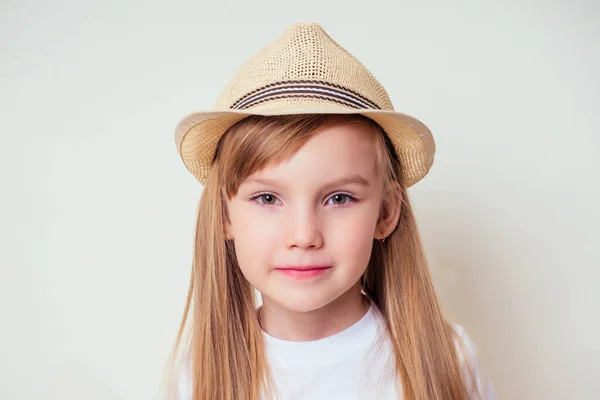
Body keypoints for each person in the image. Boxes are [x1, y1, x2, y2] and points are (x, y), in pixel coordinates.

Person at [165, 22, 496, 400]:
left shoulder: (446, 361)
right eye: (268, 199)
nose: (304, 235)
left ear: (386, 212)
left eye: (339, 198)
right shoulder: (198, 375)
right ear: (225, 216)